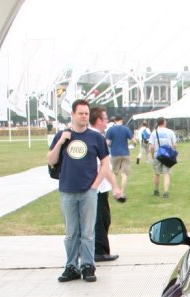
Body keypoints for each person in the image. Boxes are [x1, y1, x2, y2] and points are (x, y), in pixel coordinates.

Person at [47, 99, 120, 284]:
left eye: (86, 113)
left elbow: (105, 163)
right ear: (73, 114)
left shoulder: (95, 137)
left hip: (88, 191)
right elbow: (51, 160)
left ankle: (88, 265)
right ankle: (71, 265)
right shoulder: (62, 135)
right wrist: (61, 142)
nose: (84, 116)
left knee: (88, 232)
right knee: (71, 231)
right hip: (67, 190)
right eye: (81, 113)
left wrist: (95, 185)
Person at [89, 107, 119, 263]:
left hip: (97, 186)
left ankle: (97, 249)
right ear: (99, 120)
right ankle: (100, 250)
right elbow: (103, 165)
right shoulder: (95, 137)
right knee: (101, 219)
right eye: (106, 119)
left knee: (99, 219)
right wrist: (115, 186)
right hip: (98, 187)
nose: (107, 122)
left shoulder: (93, 136)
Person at [149, 117, 177, 198]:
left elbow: (151, 147)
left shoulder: (154, 133)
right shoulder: (170, 132)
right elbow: (175, 145)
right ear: (164, 122)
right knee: (166, 173)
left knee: (156, 173)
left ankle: (156, 191)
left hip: (157, 154)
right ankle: (165, 192)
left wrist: (152, 155)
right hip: (167, 155)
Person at [105, 115, 133, 196]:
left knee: (114, 173)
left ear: (114, 121)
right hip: (125, 153)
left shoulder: (110, 130)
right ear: (122, 120)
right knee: (124, 174)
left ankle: (115, 191)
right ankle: (122, 192)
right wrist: (132, 144)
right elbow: (133, 140)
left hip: (114, 153)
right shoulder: (126, 129)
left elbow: (107, 143)